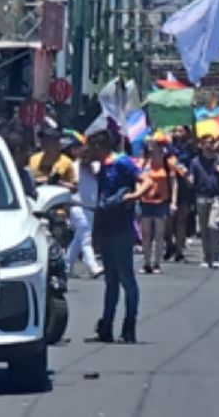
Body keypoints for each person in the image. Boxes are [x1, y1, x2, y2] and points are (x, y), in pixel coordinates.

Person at [86, 129, 153, 344]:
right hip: (106, 228)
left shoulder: (122, 162)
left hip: (122, 229)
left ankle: (129, 325)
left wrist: (133, 196)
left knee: (127, 280)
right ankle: (106, 326)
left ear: (100, 147)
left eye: (92, 148)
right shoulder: (103, 168)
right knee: (111, 282)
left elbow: (147, 181)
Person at [64, 133, 104, 278]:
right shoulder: (72, 167)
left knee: (78, 238)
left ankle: (66, 266)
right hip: (77, 206)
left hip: (91, 207)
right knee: (86, 237)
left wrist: (89, 166)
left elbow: (98, 175)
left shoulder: (96, 166)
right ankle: (93, 267)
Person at [139, 133, 177, 274]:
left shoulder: (168, 162)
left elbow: (174, 183)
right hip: (145, 200)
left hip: (162, 200)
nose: (152, 147)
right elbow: (137, 179)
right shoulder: (144, 161)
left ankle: (157, 263)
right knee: (146, 234)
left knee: (159, 234)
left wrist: (173, 201)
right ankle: (146, 262)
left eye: (155, 144)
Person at [189, 135, 219, 268]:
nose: (208, 146)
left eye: (211, 143)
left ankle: (216, 256)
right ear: (201, 145)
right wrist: (186, 177)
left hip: (216, 196)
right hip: (201, 196)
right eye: (205, 143)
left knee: (213, 226)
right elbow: (191, 180)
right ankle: (207, 257)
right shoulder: (195, 162)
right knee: (204, 229)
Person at [167, 126, 197, 262]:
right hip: (168, 185)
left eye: (181, 131)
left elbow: (192, 165)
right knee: (168, 220)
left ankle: (179, 249)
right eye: (176, 131)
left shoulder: (189, 150)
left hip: (184, 185)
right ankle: (169, 244)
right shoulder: (168, 148)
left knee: (181, 219)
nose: (178, 134)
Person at [4, 131, 38, 200]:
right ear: (17, 151)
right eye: (25, 151)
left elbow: (32, 199)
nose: (28, 155)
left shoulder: (26, 175)